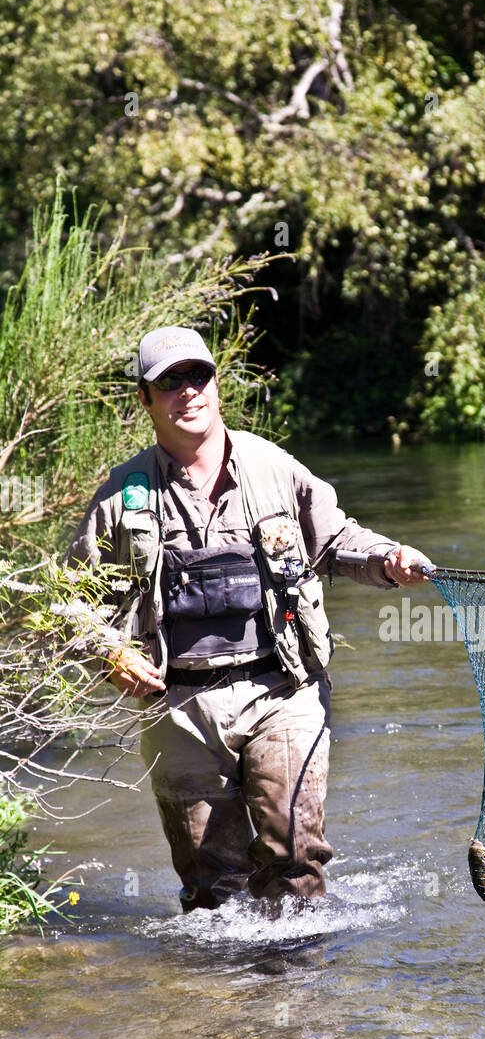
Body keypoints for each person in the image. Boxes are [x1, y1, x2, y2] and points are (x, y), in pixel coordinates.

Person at [66, 326, 432, 915]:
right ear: (146, 398)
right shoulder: (119, 495)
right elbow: (70, 605)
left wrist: (390, 560)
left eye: (198, 376)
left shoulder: (274, 467)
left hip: (281, 689)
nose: (188, 392)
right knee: (212, 891)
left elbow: (336, 540)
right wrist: (111, 652)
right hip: (177, 705)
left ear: (216, 383)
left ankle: (299, 992)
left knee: (294, 858)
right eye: (169, 382)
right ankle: (222, 1003)